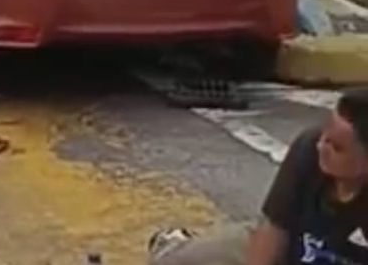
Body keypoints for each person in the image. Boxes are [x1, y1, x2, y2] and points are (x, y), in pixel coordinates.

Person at [149, 88, 368, 265]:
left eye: (337, 147)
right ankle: (176, 246)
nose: (322, 146)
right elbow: (274, 228)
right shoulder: (309, 148)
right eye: (324, 135)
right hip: (290, 250)